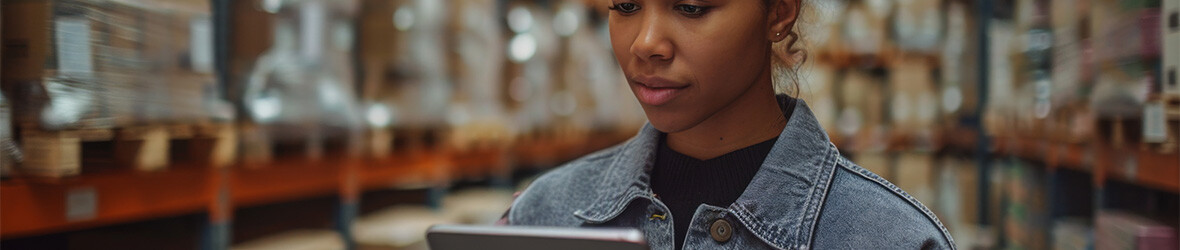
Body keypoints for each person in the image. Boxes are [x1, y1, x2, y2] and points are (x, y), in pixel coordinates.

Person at [505, 0, 955, 249]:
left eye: (691, 7)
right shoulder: (545, 217)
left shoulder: (893, 240)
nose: (646, 43)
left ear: (778, 13)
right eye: (625, 5)